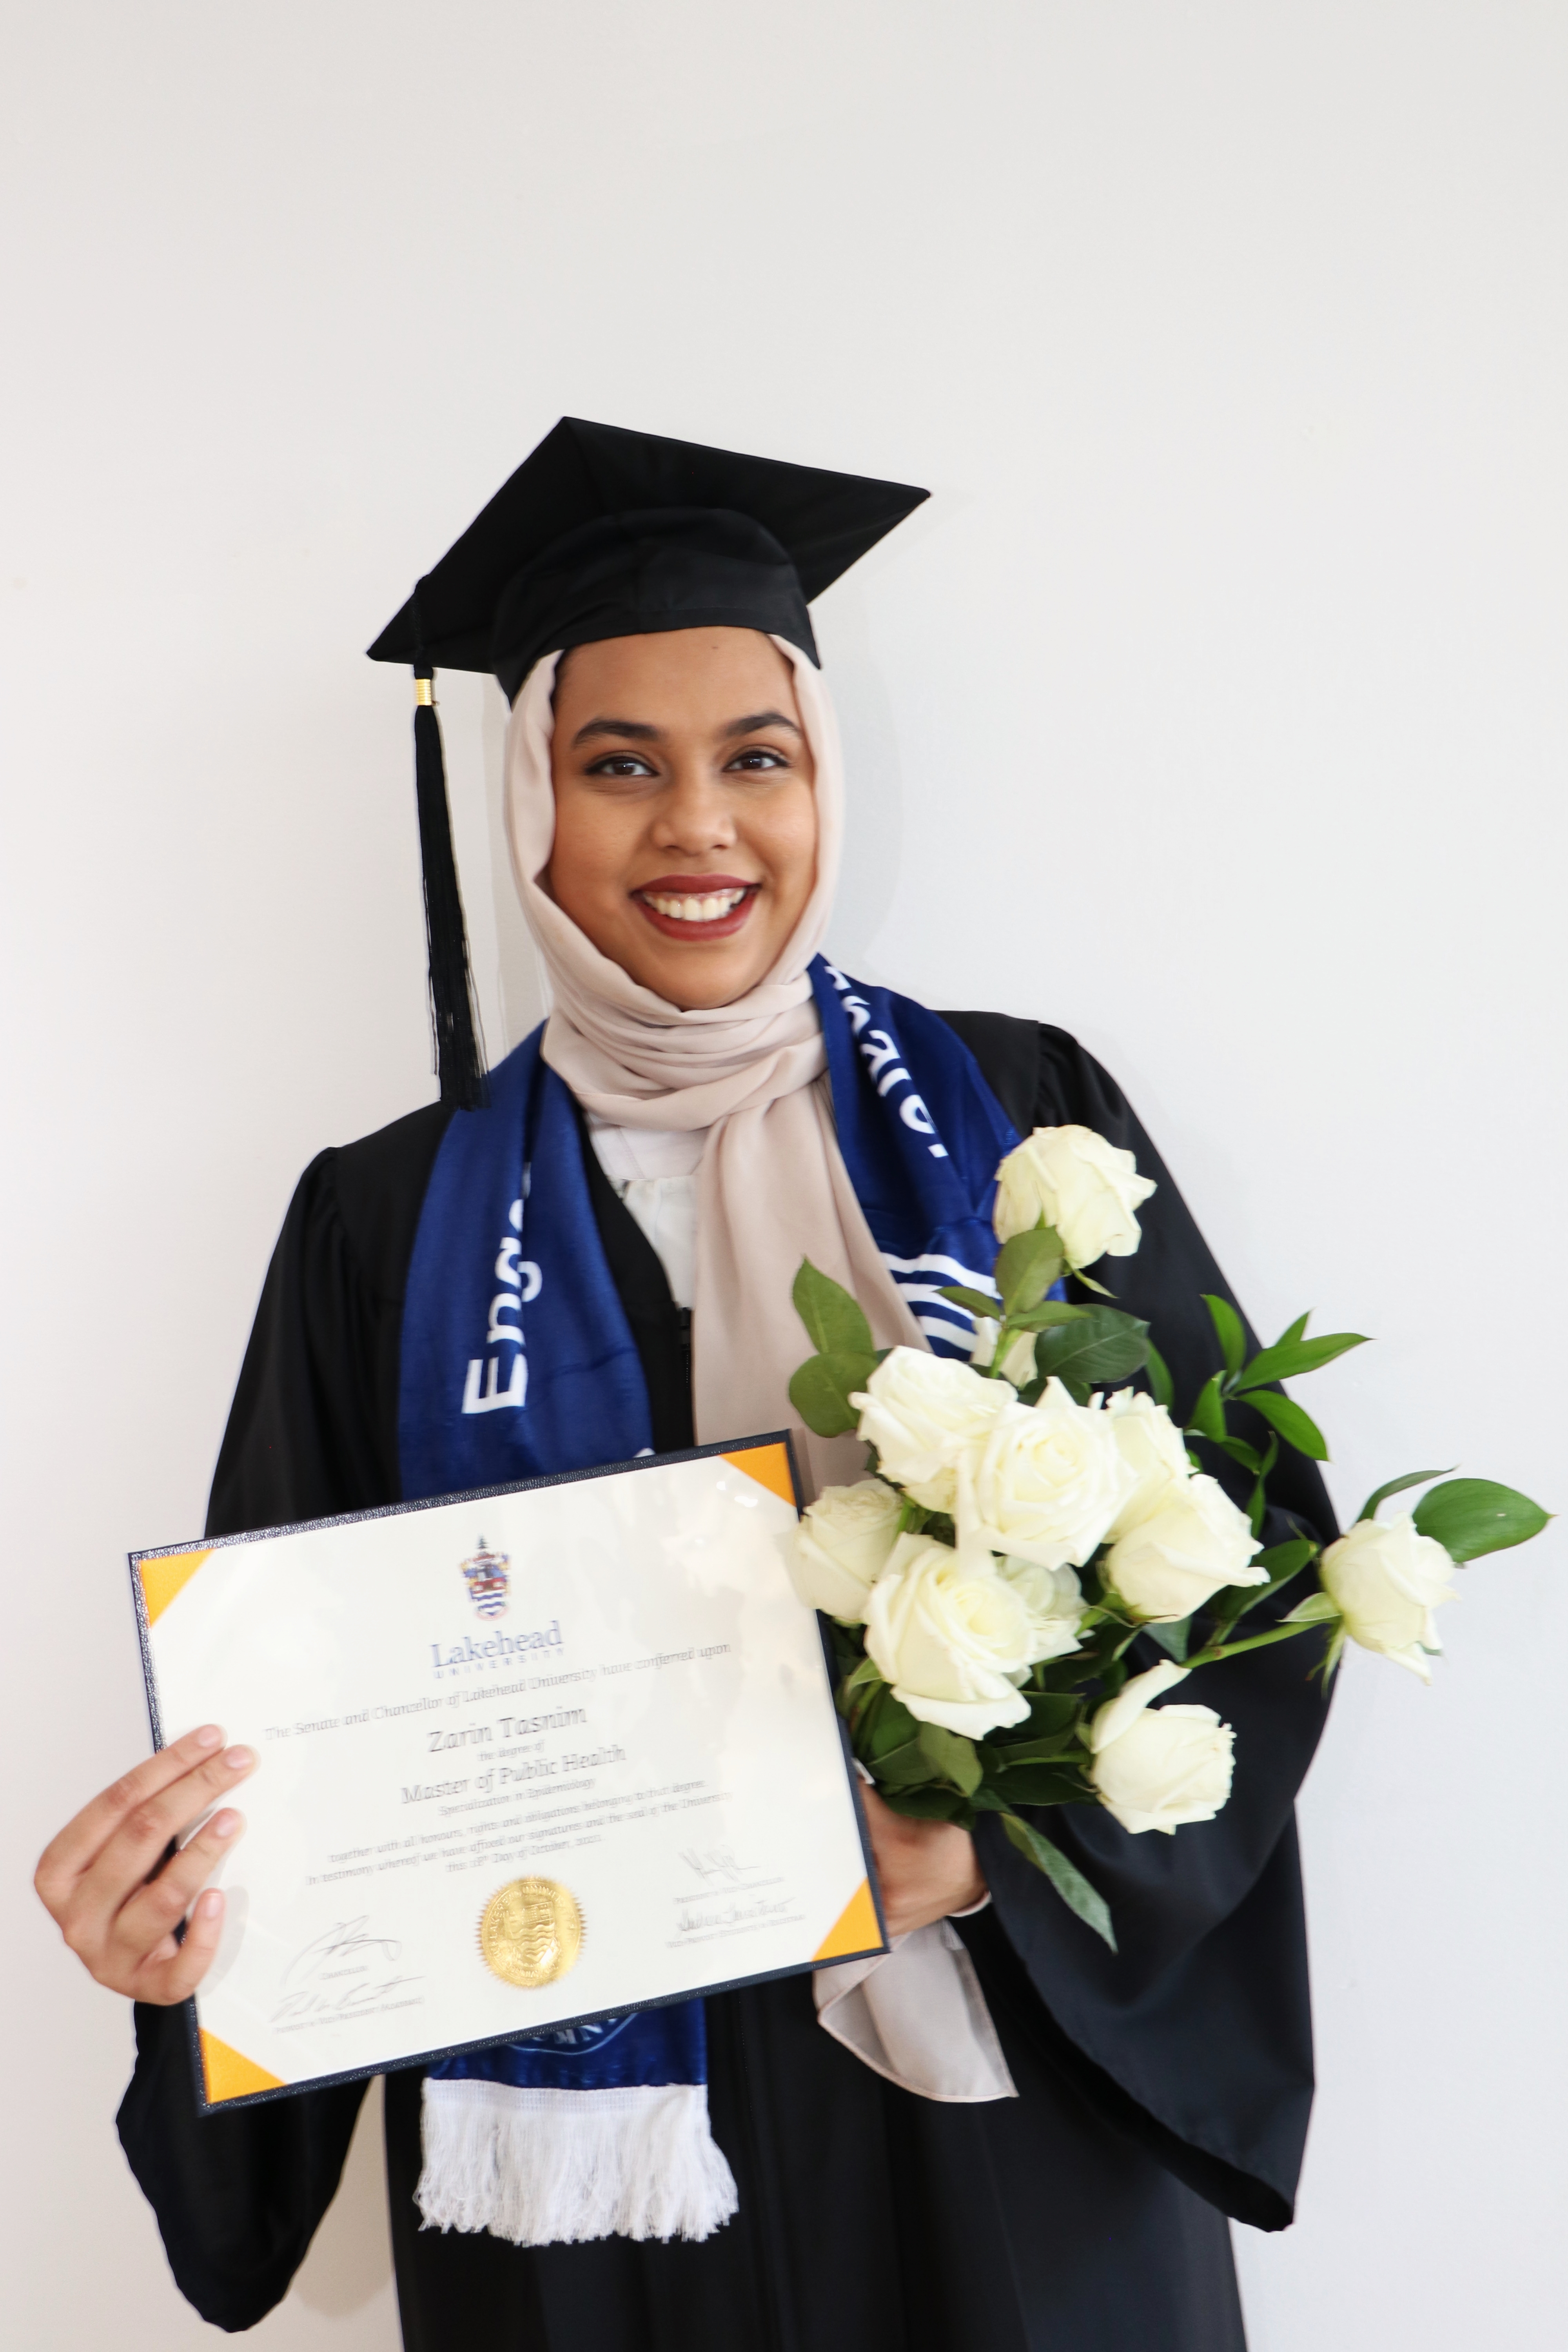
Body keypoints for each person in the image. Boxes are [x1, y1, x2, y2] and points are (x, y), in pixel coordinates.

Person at [35, 421, 1334, 2351]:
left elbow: (1254, 1571)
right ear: (528, 805)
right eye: (620, 764)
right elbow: (292, 1722)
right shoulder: (384, 1223)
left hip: (997, 2114)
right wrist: (179, 1941)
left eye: (757, 758)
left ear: (823, 782)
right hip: (602, 2186)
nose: (698, 828)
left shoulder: (1012, 1117)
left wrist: (997, 1853)